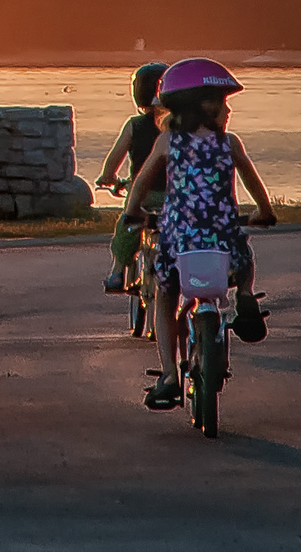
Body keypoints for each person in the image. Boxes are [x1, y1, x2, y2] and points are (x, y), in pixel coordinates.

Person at [121, 58, 278, 410]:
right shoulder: (230, 144)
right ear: (203, 106)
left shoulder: (167, 144)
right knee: (244, 261)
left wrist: (134, 213)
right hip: (223, 239)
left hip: (180, 241)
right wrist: (263, 215)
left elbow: (140, 188)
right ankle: (246, 296)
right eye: (222, 102)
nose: (228, 110)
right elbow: (258, 193)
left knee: (165, 295)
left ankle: (169, 377)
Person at [97, 62, 169, 293]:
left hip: (144, 196)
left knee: (127, 227)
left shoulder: (135, 126)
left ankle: (117, 273)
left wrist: (108, 178)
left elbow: (113, 160)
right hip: (175, 195)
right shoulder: (178, 127)